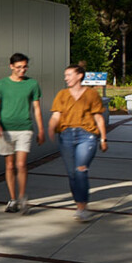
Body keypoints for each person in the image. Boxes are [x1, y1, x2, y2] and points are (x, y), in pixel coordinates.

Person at [48, 64, 109, 222]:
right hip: (66, 135)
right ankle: (79, 204)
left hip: (86, 136)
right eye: (65, 75)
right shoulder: (62, 94)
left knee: (81, 170)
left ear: (79, 76)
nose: (65, 78)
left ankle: (82, 208)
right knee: (72, 174)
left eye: (68, 75)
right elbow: (56, 115)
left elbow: (98, 117)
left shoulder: (92, 94)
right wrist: (50, 127)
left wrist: (103, 138)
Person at [0, 53, 44, 213]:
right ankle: (12, 199)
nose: (22, 70)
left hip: (25, 128)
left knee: (21, 164)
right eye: (19, 67)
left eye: (25, 67)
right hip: (5, 129)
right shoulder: (0, 84)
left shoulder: (32, 84)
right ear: (11, 66)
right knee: (9, 165)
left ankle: (22, 198)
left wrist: (41, 130)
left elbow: (37, 109)